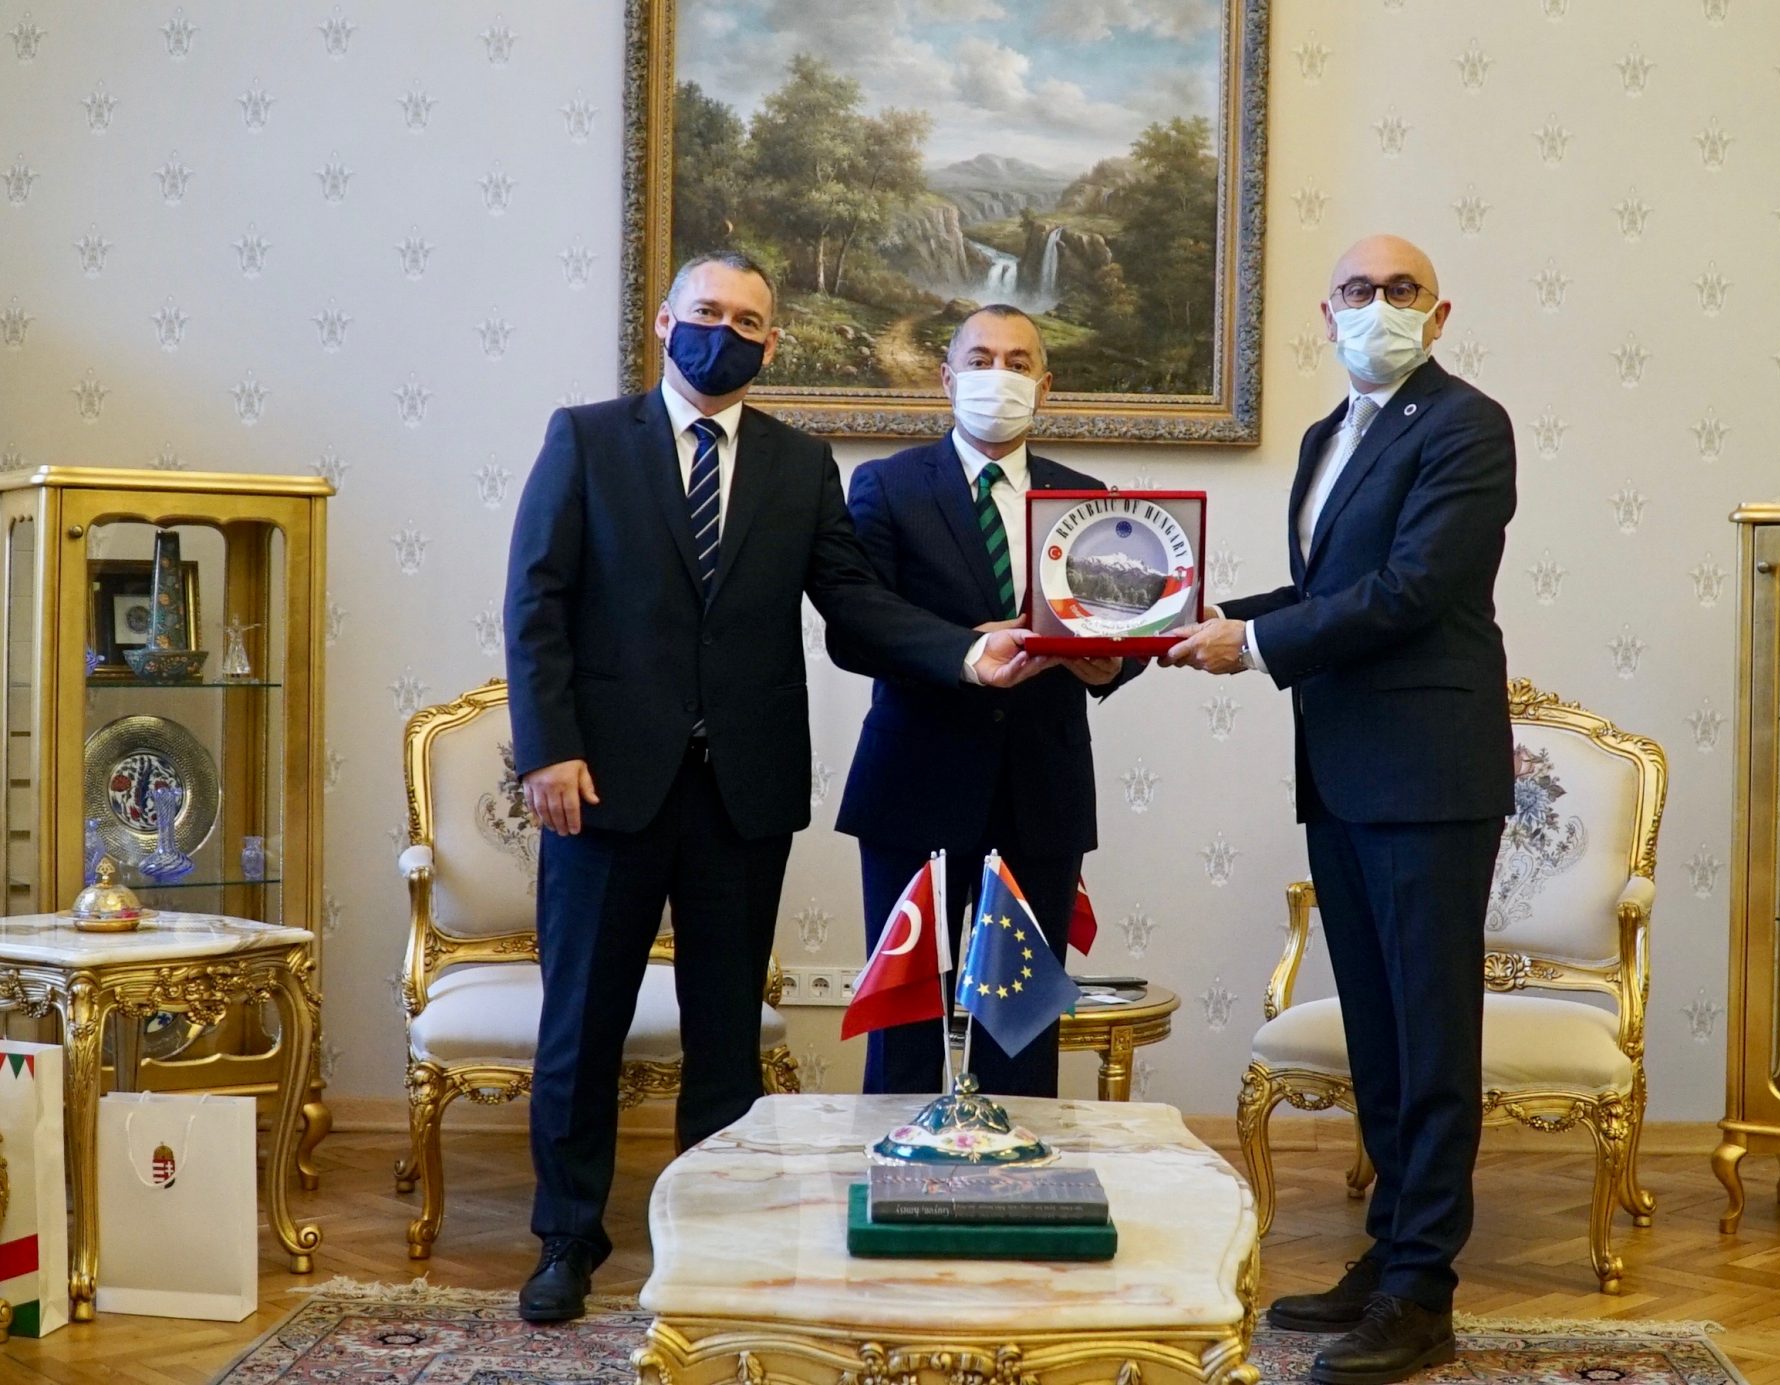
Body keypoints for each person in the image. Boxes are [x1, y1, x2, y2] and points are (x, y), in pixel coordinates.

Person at [503, 252, 1046, 1323]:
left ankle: (711, 1231)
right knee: (582, 1024)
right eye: (708, 311)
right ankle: (568, 1235)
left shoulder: (802, 464)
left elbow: (853, 600)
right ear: (666, 322)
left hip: (742, 792)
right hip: (604, 785)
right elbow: (537, 599)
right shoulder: (588, 438)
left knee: (726, 1033)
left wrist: (962, 650)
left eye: (749, 320)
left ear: (772, 342)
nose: (727, 331)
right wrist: (546, 750)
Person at [1164, 235, 1515, 1385]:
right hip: (1344, 770)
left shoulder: (1464, 425)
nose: (1377, 306)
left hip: (1427, 775)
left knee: (1428, 1034)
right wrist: (1173, 619)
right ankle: (1390, 1251)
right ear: (1324, 313)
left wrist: (1253, 643)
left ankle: (1423, 1292)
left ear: (1438, 312)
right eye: (1357, 291)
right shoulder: (1328, 437)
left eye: (1400, 290)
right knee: (1379, 1030)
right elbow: (1324, 593)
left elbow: (1412, 589)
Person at [828, 304, 1139, 1098]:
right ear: (947, 377)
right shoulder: (888, 484)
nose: (998, 375)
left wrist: (1109, 664)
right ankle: (898, 1166)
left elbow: (1120, 630)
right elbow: (857, 628)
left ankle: (1019, 1165)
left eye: (1017, 361)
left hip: (1041, 793)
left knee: (1020, 1028)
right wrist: (967, 651)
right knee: (905, 1023)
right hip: (914, 788)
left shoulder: (1087, 497)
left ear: (1045, 384)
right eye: (980, 359)